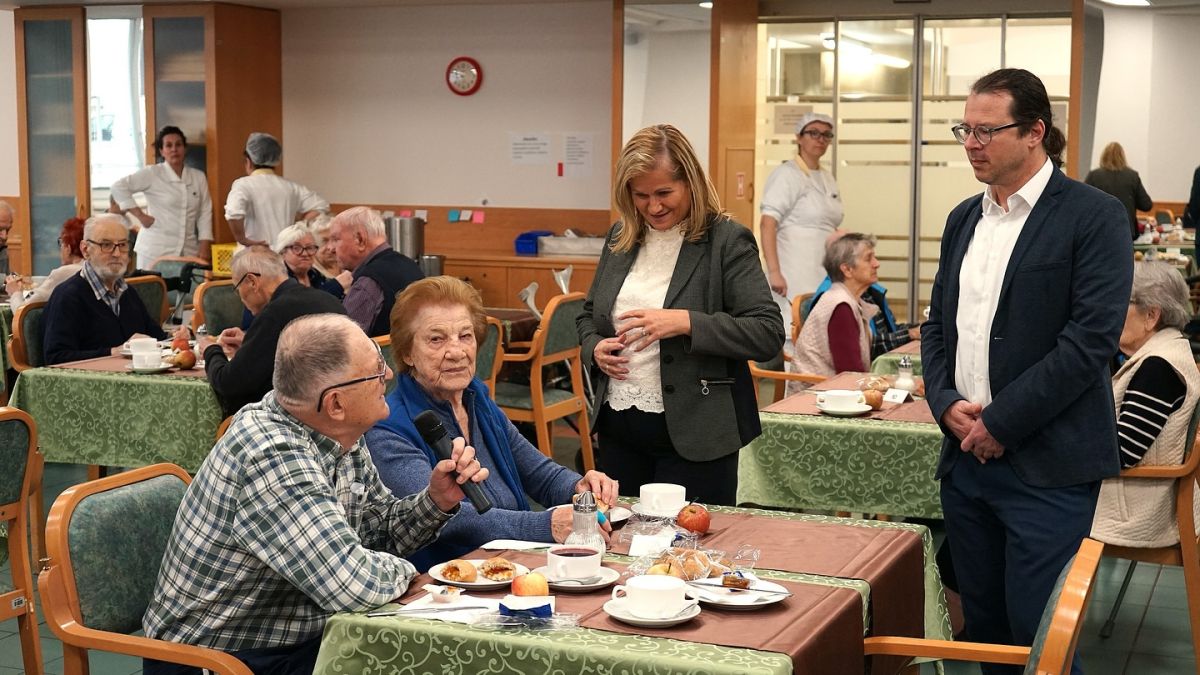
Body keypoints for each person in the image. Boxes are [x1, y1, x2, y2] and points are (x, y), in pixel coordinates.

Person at [922, 68, 1131, 675]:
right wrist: (944, 403)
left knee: (1041, 637)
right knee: (986, 634)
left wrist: (1001, 422)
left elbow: (1088, 344)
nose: (971, 143)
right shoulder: (964, 218)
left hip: (1047, 464)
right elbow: (936, 326)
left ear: (1036, 132)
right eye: (965, 129)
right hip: (965, 460)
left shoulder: (1093, 215)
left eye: (987, 131)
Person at [143, 314, 488, 675]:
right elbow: (351, 584)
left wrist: (436, 501)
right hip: (218, 660)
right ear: (336, 404)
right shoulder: (271, 455)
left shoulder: (336, 432)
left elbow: (377, 532)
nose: (387, 375)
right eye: (375, 370)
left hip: (298, 639)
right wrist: (422, 577)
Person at [577, 124, 784, 506]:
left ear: (690, 182)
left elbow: (767, 333)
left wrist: (686, 322)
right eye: (640, 195)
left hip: (698, 435)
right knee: (621, 538)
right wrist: (594, 348)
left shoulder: (726, 240)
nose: (653, 207)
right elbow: (589, 316)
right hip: (619, 429)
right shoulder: (620, 237)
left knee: (689, 542)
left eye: (663, 193)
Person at [366, 276, 619, 570]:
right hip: (453, 577)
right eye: (436, 339)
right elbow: (451, 520)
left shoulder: (475, 398)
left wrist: (579, 486)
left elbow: (538, 472)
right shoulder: (390, 427)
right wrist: (545, 524)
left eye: (465, 336)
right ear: (407, 353)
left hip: (514, 561)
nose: (457, 352)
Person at [1092, 261, 1200, 547]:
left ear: (1151, 316)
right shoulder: (1171, 347)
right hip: (1144, 501)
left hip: (1137, 512)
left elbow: (1121, 452)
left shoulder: (1158, 368)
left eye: (1121, 303)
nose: (1111, 312)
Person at [200, 246, 346, 417]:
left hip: (296, 419)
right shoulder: (327, 299)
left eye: (237, 288)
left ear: (252, 281)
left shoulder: (275, 313)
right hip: (338, 408)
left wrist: (211, 350)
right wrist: (249, 341)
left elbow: (229, 383)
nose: (240, 297)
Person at [758, 112, 844, 339]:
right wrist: (775, 272)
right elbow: (767, 224)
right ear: (799, 137)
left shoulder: (827, 177)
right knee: (794, 332)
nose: (820, 139)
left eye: (826, 135)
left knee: (820, 335)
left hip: (821, 271)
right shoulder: (786, 174)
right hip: (792, 272)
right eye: (813, 133)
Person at [42, 214, 171, 365]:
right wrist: (114, 352)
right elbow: (56, 358)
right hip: (90, 379)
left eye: (122, 245)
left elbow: (157, 338)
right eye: (106, 245)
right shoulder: (68, 297)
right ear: (85, 250)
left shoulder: (128, 293)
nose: (117, 254)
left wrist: (175, 338)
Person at [805, 230, 920, 360]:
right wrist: (911, 334)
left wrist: (921, 329)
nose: (877, 264)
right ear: (846, 267)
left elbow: (888, 330)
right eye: (868, 258)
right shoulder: (838, 304)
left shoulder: (864, 292)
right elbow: (857, 359)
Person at [109, 125, 214, 265]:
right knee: (152, 280)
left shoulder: (198, 177)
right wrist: (140, 216)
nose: (174, 149)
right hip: (155, 250)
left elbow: (205, 213)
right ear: (161, 151)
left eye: (178, 145)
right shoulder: (152, 173)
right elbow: (118, 187)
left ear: (185, 149)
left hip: (188, 250)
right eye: (168, 145)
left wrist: (205, 244)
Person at [792, 233, 879, 377]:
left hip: (836, 384)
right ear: (847, 270)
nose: (876, 264)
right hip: (819, 388)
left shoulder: (847, 299)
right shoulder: (840, 306)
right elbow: (850, 372)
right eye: (868, 258)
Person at [328, 206, 424, 337]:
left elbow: (343, 340)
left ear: (360, 239)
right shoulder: (409, 264)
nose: (330, 248)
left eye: (335, 239)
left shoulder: (368, 282)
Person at [224, 132, 328, 247]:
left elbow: (233, 213)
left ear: (248, 162)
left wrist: (242, 239)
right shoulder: (291, 187)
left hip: (254, 252)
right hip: (284, 251)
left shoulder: (243, 185)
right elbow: (321, 205)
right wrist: (299, 226)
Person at [5, 217, 85, 309]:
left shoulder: (62, 273)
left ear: (68, 248)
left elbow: (22, 310)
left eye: (61, 243)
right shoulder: (91, 269)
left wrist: (15, 292)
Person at [1084, 142, 1153, 239]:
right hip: (1126, 230)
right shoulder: (1132, 176)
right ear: (1122, 157)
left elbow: (1083, 202)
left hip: (1099, 230)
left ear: (1104, 156)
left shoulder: (1094, 176)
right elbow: (1146, 205)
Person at [274, 222, 345, 299]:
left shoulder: (316, 275)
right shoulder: (278, 280)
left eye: (310, 248)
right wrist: (336, 285)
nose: (305, 254)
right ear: (282, 252)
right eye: (296, 248)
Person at [0, 200, 13, 275]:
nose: (5, 237)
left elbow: (5, 277)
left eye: (7, 230)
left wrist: (14, 278)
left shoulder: (2, 249)